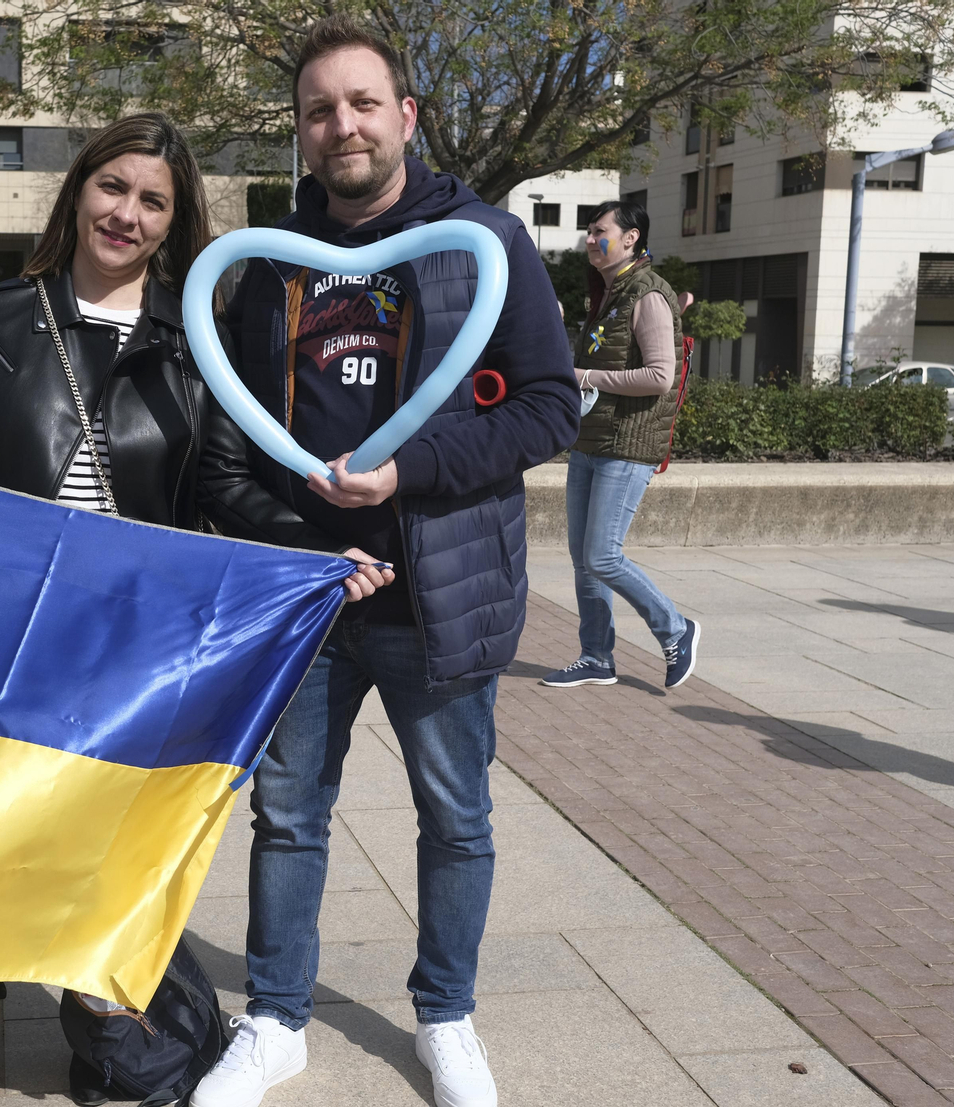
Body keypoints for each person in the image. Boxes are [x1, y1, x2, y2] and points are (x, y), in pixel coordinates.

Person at [0, 112, 392, 1107]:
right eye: (113, 188)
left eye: (152, 202)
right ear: (79, 189)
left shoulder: (193, 340)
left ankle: (101, 1039)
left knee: (101, 843)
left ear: (173, 224)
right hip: (3, 631)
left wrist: (315, 549)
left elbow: (221, 484)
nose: (126, 214)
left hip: (132, 641)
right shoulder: (3, 317)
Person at [193, 16, 580, 1107]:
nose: (341, 125)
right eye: (319, 109)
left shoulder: (484, 241)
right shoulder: (266, 265)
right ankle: (275, 1019)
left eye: (362, 103)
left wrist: (402, 476)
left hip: (440, 590)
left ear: (406, 115)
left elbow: (548, 410)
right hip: (309, 598)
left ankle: (445, 1015)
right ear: (301, 132)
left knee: (456, 815)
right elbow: (239, 438)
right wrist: (300, 538)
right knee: (288, 814)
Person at [541, 199, 700, 691]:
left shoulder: (648, 293)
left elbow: (659, 376)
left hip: (627, 443)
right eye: (589, 231)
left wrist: (581, 375)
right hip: (591, 438)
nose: (591, 239)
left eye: (599, 230)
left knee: (603, 556)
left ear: (631, 238)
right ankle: (596, 657)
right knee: (581, 555)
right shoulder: (610, 293)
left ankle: (675, 629)